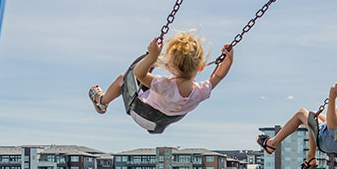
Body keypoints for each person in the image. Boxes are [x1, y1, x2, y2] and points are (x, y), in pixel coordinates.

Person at [88, 31, 233, 130]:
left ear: (171, 66)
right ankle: (167, 62)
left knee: (123, 79)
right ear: (201, 67)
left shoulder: (164, 85)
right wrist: (228, 61)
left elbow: (138, 73)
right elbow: (218, 76)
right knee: (152, 70)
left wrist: (152, 56)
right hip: (162, 123)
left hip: (141, 113)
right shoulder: (201, 91)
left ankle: (102, 101)